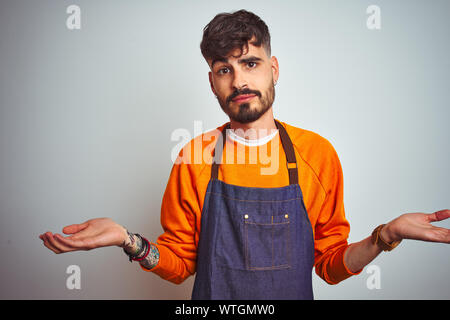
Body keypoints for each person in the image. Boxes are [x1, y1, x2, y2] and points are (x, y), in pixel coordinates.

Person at [39, 9, 449, 300]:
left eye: (250, 63)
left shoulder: (316, 154)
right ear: (212, 82)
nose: (239, 81)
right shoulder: (194, 157)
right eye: (224, 69)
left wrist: (386, 235)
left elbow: (330, 265)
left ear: (273, 68)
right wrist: (127, 240)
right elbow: (180, 265)